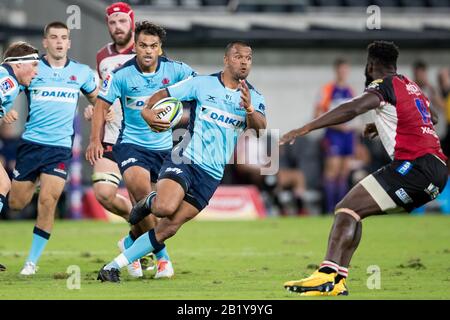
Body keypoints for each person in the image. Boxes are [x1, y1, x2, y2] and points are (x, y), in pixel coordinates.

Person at [281, 41, 447, 296]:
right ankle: (338, 280)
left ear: (370, 65)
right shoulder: (410, 85)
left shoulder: (382, 85)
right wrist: (380, 124)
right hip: (438, 171)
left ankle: (325, 275)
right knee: (354, 210)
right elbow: (432, 117)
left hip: (414, 166)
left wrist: (305, 128)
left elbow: (353, 108)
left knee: (345, 208)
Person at [96, 40, 267, 283]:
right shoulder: (202, 83)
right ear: (226, 60)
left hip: (211, 174)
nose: (244, 62)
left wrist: (249, 109)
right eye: (238, 57)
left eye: (248, 58)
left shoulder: (254, 97)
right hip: (186, 158)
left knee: (169, 227)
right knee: (164, 208)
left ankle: (113, 266)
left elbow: (260, 131)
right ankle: (151, 201)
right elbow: (162, 94)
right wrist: (147, 112)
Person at [86, 21, 197, 279]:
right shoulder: (122, 75)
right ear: (135, 46)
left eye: (153, 46)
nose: (148, 51)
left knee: (160, 209)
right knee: (142, 196)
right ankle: (163, 259)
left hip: (164, 150)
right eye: (143, 45)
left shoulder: (176, 70)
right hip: (132, 145)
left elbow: (201, 89)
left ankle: (130, 243)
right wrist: (95, 139)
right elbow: (102, 106)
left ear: (160, 48)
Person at [7, 22, 98, 276]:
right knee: (16, 202)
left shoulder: (80, 72)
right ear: (45, 42)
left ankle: (31, 262)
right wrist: (7, 112)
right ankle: (33, 181)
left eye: (64, 38)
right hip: (31, 145)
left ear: (69, 43)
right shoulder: (32, 71)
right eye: (54, 37)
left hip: (59, 149)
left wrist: (94, 110)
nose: (59, 42)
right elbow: (8, 91)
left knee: (48, 201)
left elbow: (100, 101)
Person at [84, 2, 142, 277]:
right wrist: (93, 108)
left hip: (142, 138)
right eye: (112, 22)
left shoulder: (147, 51)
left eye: (122, 21)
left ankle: (142, 250)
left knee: (143, 200)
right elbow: (100, 95)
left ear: (132, 21)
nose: (118, 27)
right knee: (104, 194)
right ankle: (136, 241)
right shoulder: (102, 57)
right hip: (110, 137)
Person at [0, 41, 39, 272]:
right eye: (33, 65)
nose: (36, 71)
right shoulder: (7, 81)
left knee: (3, 184)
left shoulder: (10, 81)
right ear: (19, 65)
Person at [314, 58, 355, 213]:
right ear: (336, 70)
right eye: (340, 70)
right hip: (333, 135)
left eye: (345, 70)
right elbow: (318, 114)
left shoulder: (350, 91)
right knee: (332, 171)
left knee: (344, 173)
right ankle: (328, 209)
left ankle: (342, 209)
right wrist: (337, 125)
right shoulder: (328, 89)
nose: (343, 73)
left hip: (348, 136)